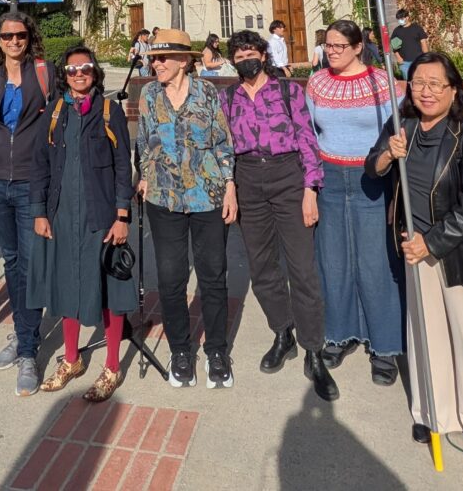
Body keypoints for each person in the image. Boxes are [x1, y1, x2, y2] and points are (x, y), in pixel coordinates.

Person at [365, 52, 463, 469]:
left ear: (453, 90)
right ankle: (434, 413)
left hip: (461, 255)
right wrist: (385, 156)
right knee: (427, 339)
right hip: (415, 250)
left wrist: (431, 242)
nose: (426, 92)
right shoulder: (402, 127)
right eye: (418, 83)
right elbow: (371, 169)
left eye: (436, 84)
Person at [220, 30, 338, 401]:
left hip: (288, 177)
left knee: (302, 269)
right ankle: (282, 332)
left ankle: (313, 350)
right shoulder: (227, 98)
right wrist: (231, 188)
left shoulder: (288, 91)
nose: (245, 59)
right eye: (238, 55)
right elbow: (223, 146)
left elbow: (307, 139)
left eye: (250, 52)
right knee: (262, 267)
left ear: (264, 55)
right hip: (248, 177)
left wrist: (310, 190)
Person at [28, 46, 135, 403]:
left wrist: (122, 216)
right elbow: (39, 165)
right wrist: (39, 212)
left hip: (99, 217)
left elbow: (123, 167)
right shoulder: (55, 112)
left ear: (95, 72)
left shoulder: (109, 112)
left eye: (85, 68)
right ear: (65, 76)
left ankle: (111, 366)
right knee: (66, 287)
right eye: (72, 70)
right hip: (61, 215)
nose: (79, 74)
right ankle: (72, 359)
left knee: (108, 291)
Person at [305, 20, 404, 385]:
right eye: (328, 46)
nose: (331, 52)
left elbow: (399, 127)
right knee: (334, 261)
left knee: (376, 262)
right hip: (329, 177)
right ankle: (340, 333)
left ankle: (385, 346)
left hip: (371, 178)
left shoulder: (383, 84)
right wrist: (310, 185)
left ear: (358, 46)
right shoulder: (317, 82)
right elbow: (309, 133)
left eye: (338, 46)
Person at [137, 28, 237, 388]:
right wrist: (146, 175)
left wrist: (230, 186)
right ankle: (181, 349)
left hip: (207, 197)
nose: (156, 63)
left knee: (212, 275)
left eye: (162, 57)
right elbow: (145, 143)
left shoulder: (208, 92)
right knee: (171, 278)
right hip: (163, 199)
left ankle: (217, 352)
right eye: (153, 57)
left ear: (184, 60)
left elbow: (224, 142)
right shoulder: (149, 94)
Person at [0, 11, 56, 396]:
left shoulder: (44, 72)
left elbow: (60, 119)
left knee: (31, 264)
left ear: (29, 36)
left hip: (31, 182)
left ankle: (27, 348)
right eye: (7, 37)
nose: (14, 42)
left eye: (20, 35)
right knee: (14, 262)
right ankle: (23, 336)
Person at [391, 9, 429, 80]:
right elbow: (395, 47)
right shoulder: (397, 31)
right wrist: (399, 58)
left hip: (419, 61)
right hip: (405, 63)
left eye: (401, 18)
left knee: (420, 80)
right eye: (398, 19)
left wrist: (427, 57)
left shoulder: (417, 28)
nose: (400, 21)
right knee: (409, 82)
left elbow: (423, 43)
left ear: (407, 17)